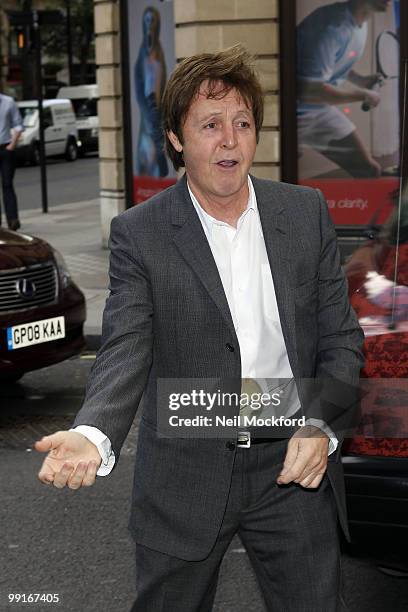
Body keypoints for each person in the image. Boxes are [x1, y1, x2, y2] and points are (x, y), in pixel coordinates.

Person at [35, 45, 364, 611]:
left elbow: (341, 343)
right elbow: (125, 345)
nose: (230, 140)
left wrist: (320, 427)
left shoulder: (303, 213)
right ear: (177, 139)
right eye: (210, 125)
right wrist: (94, 433)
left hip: (291, 465)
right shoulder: (141, 233)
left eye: (242, 123)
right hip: (184, 474)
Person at [297, 0, 392, 178]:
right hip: (290, 112)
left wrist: (361, 81)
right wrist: (363, 95)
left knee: (369, 171)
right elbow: (312, 91)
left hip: (317, 109)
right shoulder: (331, 27)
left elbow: (332, 63)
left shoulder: (359, 23)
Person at [0, 91, 23, 230]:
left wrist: (12, 145)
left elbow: (18, 124)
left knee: (7, 184)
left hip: (6, 149)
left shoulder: (9, 102)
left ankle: (13, 219)